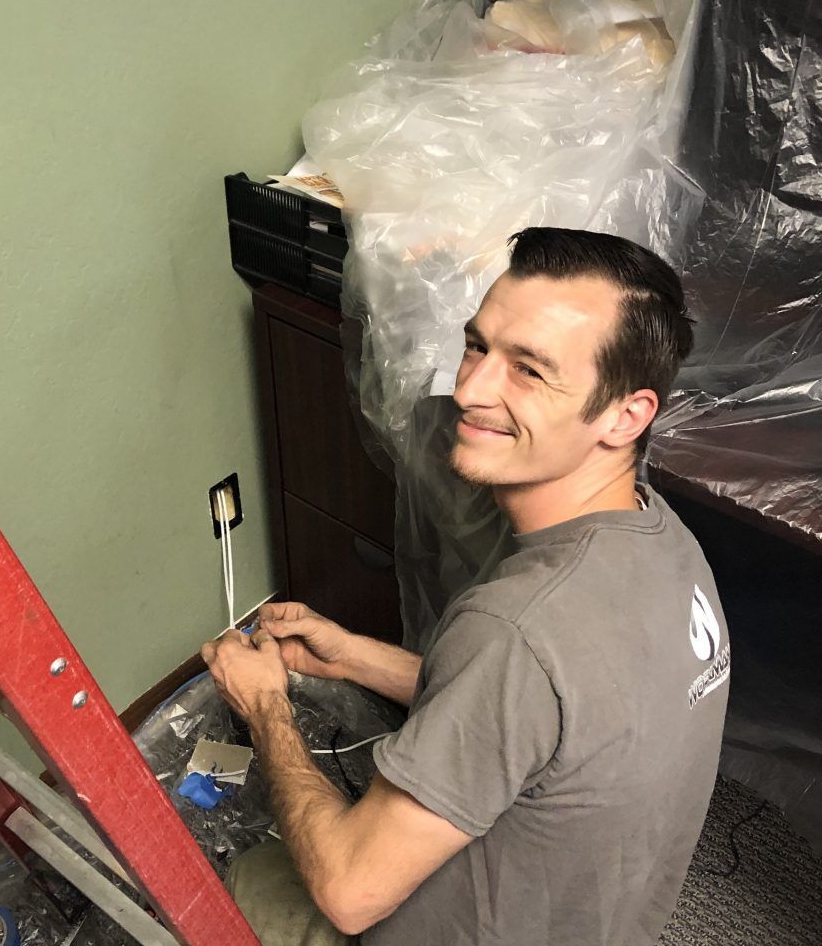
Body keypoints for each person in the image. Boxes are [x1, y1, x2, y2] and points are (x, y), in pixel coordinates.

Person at [201, 227, 731, 946]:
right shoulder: (666, 543)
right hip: (603, 922)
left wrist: (264, 706)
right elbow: (546, 717)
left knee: (249, 879)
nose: (472, 389)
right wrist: (353, 655)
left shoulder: (517, 627)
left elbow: (350, 891)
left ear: (625, 414)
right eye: (478, 346)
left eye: (531, 370)